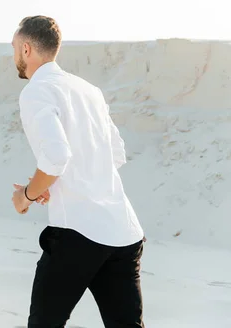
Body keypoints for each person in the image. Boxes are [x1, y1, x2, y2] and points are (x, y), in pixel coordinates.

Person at [10, 16, 145, 328]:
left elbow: (56, 156)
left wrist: (26, 195)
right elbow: (115, 154)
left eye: (14, 48)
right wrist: (52, 183)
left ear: (27, 49)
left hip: (78, 234)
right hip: (123, 233)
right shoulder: (88, 90)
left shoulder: (36, 91)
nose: (14, 56)